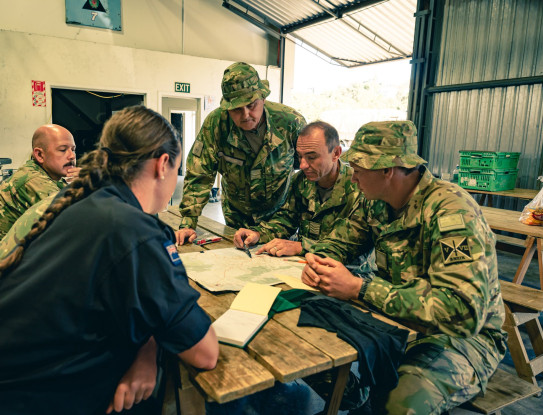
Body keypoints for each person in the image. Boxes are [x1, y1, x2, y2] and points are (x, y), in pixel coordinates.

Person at [0, 106, 219, 414]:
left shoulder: (85, 203)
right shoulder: (136, 231)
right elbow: (205, 353)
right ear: (163, 164)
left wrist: (148, 345)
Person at [302, 121, 507, 414]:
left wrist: (361, 288)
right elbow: (339, 242)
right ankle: (357, 396)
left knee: (399, 404)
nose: (352, 179)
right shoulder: (377, 202)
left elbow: (461, 313)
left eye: (359, 171)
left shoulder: (452, 213)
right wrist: (318, 262)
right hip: (395, 321)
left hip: (461, 339)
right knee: (310, 351)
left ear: (388, 170)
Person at [176, 62, 306, 244]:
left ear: (263, 98)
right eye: (237, 109)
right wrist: (188, 222)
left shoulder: (290, 122)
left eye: (252, 105)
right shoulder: (216, 124)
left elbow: (308, 171)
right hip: (237, 221)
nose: (245, 115)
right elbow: (200, 174)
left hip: (279, 222)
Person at [233, 121, 362, 258]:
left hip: (349, 272)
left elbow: (351, 245)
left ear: (336, 153)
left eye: (311, 157)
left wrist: (301, 246)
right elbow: (286, 220)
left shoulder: (359, 187)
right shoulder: (301, 181)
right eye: (300, 156)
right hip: (307, 264)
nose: (303, 165)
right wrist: (258, 234)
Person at [0, 124, 80, 238]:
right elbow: (76, 221)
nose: (72, 156)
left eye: (73, 150)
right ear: (39, 155)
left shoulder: (52, 176)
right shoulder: (33, 180)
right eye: (63, 150)